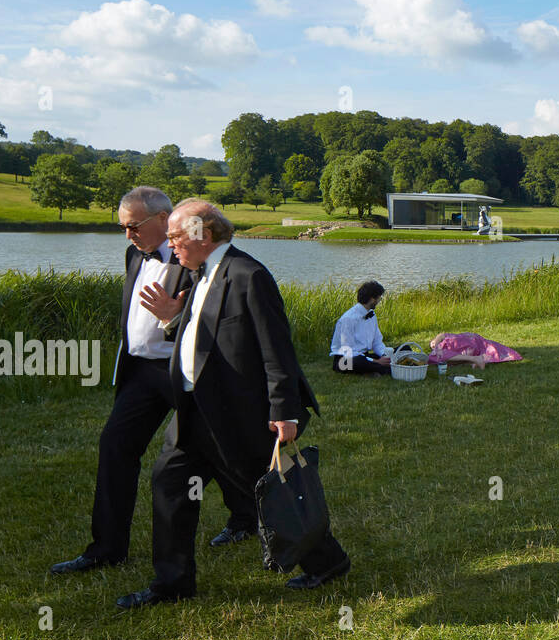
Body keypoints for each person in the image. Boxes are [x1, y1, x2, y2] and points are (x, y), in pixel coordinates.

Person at [116, 200, 350, 608]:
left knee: (272, 490)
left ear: (202, 236)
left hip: (241, 413)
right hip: (193, 410)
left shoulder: (249, 275)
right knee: (170, 484)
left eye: (174, 237)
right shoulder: (196, 272)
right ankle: (171, 584)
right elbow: (204, 337)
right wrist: (174, 320)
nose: (170, 246)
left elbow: (277, 349)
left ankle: (327, 562)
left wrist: (284, 412)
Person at [51, 188, 256, 576]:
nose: (128, 235)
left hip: (187, 372)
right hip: (142, 372)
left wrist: (175, 317)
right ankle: (107, 549)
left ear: (164, 219)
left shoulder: (199, 256)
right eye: (123, 228)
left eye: (133, 226)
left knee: (220, 447)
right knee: (115, 446)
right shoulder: (134, 254)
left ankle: (248, 518)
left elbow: (219, 319)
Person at [330, 281, 392, 374]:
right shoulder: (348, 319)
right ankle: (380, 368)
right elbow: (349, 352)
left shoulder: (372, 315)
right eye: (379, 298)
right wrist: (377, 361)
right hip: (346, 360)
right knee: (358, 362)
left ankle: (380, 368)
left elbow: (377, 342)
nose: (379, 301)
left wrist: (385, 356)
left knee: (404, 348)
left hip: (365, 357)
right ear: (372, 299)